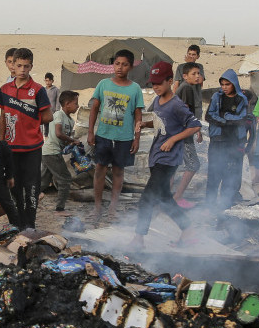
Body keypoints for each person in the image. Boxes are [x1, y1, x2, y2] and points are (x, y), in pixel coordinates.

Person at [133, 62, 199, 247]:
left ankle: (138, 239)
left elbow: (194, 126)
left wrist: (173, 139)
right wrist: (144, 125)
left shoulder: (176, 104)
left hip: (168, 159)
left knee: (147, 198)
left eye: (159, 83)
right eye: (152, 84)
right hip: (157, 155)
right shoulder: (157, 101)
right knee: (164, 199)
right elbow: (160, 122)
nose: (155, 87)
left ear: (170, 81)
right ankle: (188, 231)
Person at [0, 47, 52, 228]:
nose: (21, 69)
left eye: (25, 66)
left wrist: (30, 121)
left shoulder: (38, 90)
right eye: (18, 65)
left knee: (32, 188)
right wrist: (2, 142)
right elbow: (3, 117)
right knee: (13, 186)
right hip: (11, 147)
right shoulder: (5, 89)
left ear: (31, 67)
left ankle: (30, 223)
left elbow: (48, 116)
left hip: (32, 147)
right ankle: (17, 222)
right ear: (12, 64)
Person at [87, 49, 144, 223]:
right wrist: (91, 131)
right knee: (99, 170)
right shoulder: (103, 84)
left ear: (131, 66)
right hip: (104, 135)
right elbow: (95, 108)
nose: (120, 68)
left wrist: (137, 138)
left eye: (124, 64)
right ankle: (97, 207)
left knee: (119, 172)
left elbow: (138, 115)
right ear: (113, 65)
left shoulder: (135, 89)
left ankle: (113, 208)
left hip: (124, 138)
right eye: (117, 63)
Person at [203, 69, 251, 212]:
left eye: (227, 84)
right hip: (217, 141)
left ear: (234, 84)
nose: (224, 87)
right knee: (214, 174)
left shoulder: (241, 99)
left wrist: (224, 117)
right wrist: (227, 119)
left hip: (234, 142)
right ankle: (209, 206)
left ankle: (225, 207)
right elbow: (209, 116)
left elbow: (242, 119)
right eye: (222, 84)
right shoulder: (216, 97)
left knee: (230, 175)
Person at [172, 62, 206, 207]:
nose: (197, 76)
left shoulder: (188, 88)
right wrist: (195, 129)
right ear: (185, 76)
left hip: (179, 131)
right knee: (193, 164)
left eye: (198, 73)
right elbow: (185, 112)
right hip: (183, 133)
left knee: (173, 165)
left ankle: (167, 198)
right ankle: (177, 197)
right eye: (194, 74)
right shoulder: (186, 89)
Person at [42, 90, 80, 213]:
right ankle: (60, 208)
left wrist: (72, 144)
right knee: (65, 179)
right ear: (67, 104)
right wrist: (72, 140)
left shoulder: (71, 121)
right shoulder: (58, 114)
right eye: (75, 103)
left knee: (43, 181)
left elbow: (64, 139)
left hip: (51, 152)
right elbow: (58, 133)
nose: (77, 106)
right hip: (51, 151)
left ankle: (24, 198)